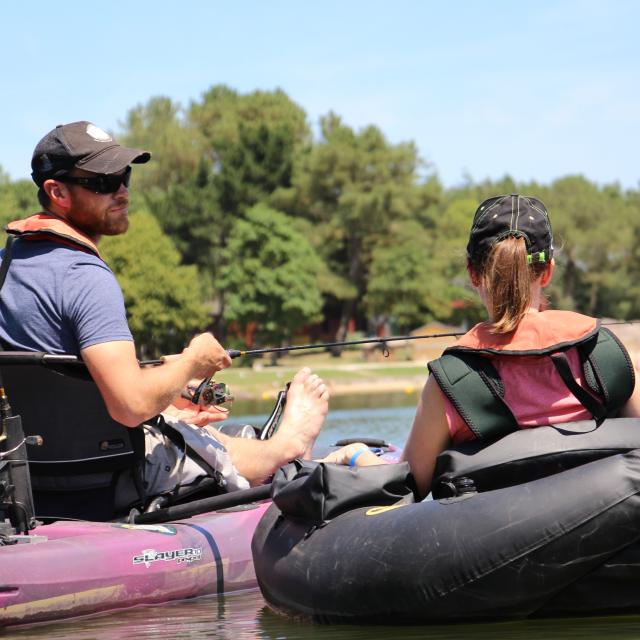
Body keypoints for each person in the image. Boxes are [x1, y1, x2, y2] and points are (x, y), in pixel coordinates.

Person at [0, 121, 329, 504]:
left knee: (177, 420)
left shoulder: (8, 266)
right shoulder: (85, 277)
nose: (122, 191)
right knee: (212, 445)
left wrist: (169, 390)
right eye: (103, 183)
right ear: (57, 192)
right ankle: (285, 446)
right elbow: (130, 406)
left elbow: (72, 383)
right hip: (112, 478)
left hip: (31, 477)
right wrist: (192, 361)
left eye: (124, 176)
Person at [324, 194, 640, 499]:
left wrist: (355, 456)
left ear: (472, 272)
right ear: (547, 271)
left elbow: (406, 486)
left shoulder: (453, 380)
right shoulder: (602, 356)